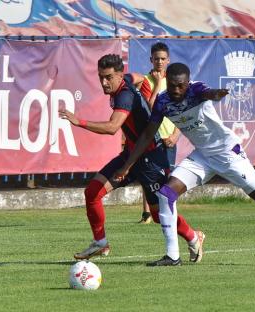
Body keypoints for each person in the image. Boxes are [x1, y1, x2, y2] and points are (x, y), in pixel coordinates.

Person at [114, 62, 255, 267]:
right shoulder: (162, 102)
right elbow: (146, 136)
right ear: (167, 82)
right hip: (202, 157)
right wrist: (126, 166)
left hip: (228, 154)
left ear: (188, 83)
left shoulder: (196, 90)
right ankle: (172, 256)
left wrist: (216, 94)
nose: (177, 89)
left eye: (181, 85)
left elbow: (208, 93)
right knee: (166, 194)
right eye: (172, 85)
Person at [59, 55, 204, 264]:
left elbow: (112, 128)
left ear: (119, 75)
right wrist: (145, 87)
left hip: (151, 159)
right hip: (131, 154)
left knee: (157, 215)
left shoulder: (124, 96)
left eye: (108, 77)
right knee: (92, 192)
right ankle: (100, 242)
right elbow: (139, 78)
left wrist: (78, 121)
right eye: (100, 77)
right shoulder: (126, 79)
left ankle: (193, 236)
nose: (104, 82)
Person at [137, 42, 180, 224]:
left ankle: (170, 212)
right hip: (153, 137)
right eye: (156, 59)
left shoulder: (175, 81)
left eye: (163, 59)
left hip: (169, 138)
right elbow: (150, 107)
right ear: (151, 60)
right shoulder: (146, 81)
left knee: (169, 178)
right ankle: (148, 213)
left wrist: (175, 135)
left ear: (168, 60)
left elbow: (181, 111)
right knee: (149, 177)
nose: (160, 62)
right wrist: (156, 85)